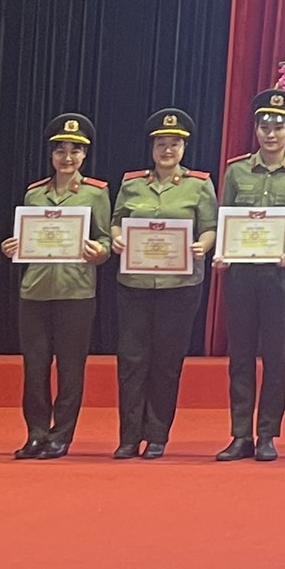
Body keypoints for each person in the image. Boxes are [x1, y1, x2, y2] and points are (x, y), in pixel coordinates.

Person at [217, 89, 285, 462]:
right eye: (264, 126)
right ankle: (240, 434)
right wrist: (222, 250)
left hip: (281, 276)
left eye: (279, 126)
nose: (271, 133)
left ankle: (267, 434)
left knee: (276, 357)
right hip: (241, 275)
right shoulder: (236, 171)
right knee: (240, 356)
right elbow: (225, 217)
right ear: (256, 129)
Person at [112, 106, 218, 459]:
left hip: (180, 285)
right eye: (161, 144)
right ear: (152, 147)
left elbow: (210, 227)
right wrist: (117, 238)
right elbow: (116, 221)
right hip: (135, 283)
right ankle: (129, 436)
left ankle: (157, 435)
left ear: (184, 148)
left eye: (174, 144)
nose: (167, 150)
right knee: (131, 360)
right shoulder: (131, 184)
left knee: (166, 361)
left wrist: (204, 245)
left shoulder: (199, 185)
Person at [3, 111, 110, 460]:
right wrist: (14, 246)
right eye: (60, 151)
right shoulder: (34, 194)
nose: (67, 157)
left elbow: (106, 240)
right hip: (35, 290)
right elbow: (26, 237)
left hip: (76, 290)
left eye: (75, 151)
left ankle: (61, 435)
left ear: (84, 155)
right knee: (34, 367)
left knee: (70, 367)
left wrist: (100, 252)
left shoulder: (96, 193)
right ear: (51, 155)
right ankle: (36, 433)